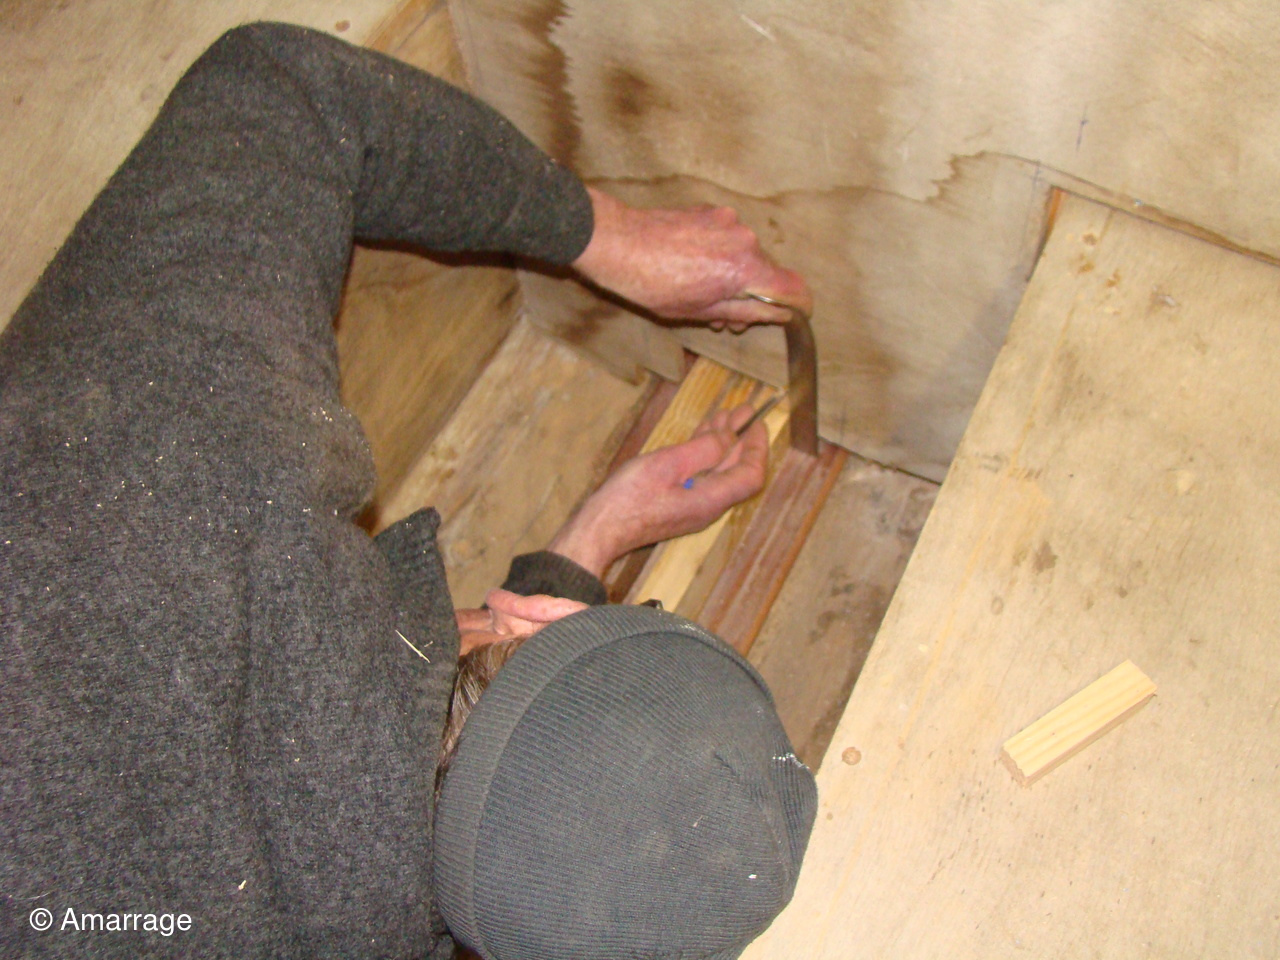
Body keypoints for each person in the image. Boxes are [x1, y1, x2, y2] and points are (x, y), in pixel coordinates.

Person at [0, 22, 816, 960]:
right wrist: (596, 537)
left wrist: (610, 235)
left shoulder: (170, 484)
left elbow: (285, 91)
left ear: (533, 617)